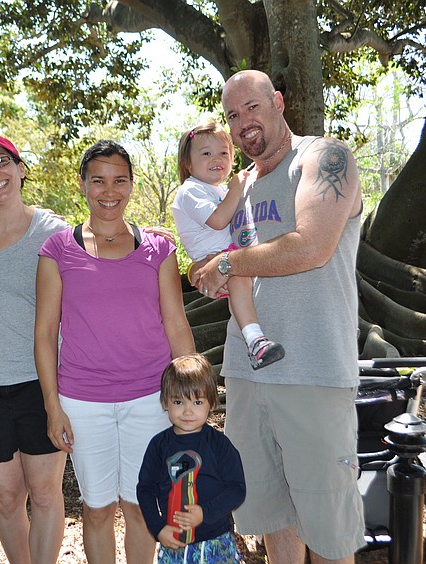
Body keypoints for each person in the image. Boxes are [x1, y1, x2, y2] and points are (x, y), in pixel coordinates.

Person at [193, 69, 366, 563]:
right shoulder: (242, 185)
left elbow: (310, 247)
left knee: (330, 531)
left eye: (252, 106)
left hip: (312, 371)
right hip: (247, 373)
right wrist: (208, 270)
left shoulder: (323, 158)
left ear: (279, 102)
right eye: (232, 114)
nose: (243, 121)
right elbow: (220, 254)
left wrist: (226, 263)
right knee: (271, 516)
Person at [34, 140, 197, 564]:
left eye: (120, 180)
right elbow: (46, 331)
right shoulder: (57, 250)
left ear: (131, 185)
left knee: (142, 507)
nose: (110, 190)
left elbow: (176, 323)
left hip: (150, 398)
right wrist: (53, 405)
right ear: (83, 185)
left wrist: (194, 395)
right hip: (83, 401)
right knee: (97, 508)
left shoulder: (158, 249)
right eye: (99, 180)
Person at [0, 133, 69, 564]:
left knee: (43, 493)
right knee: (6, 498)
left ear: (20, 168)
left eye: (1, 161)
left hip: (40, 383)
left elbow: (92, 279)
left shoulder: (52, 231)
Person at [172, 120, 284, 369]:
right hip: (214, 260)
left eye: (224, 152)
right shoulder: (191, 191)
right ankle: (256, 342)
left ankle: (259, 336)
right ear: (188, 163)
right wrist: (236, 187)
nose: (217, 158)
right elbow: (219, 220)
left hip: (228, 255)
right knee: (238, 274)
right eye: (206, 153)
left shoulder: (219, 191)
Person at [136, 353, 246, 563]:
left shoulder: (220, 445)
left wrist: (205, 513)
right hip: (174, 543)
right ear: (165, 402)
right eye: (178, 401)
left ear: (212, 403)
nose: (187, 411)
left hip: (215, 542)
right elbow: (145, 489)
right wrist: (158, 528)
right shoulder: (159, 446)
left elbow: (237, 489)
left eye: (197, 402)